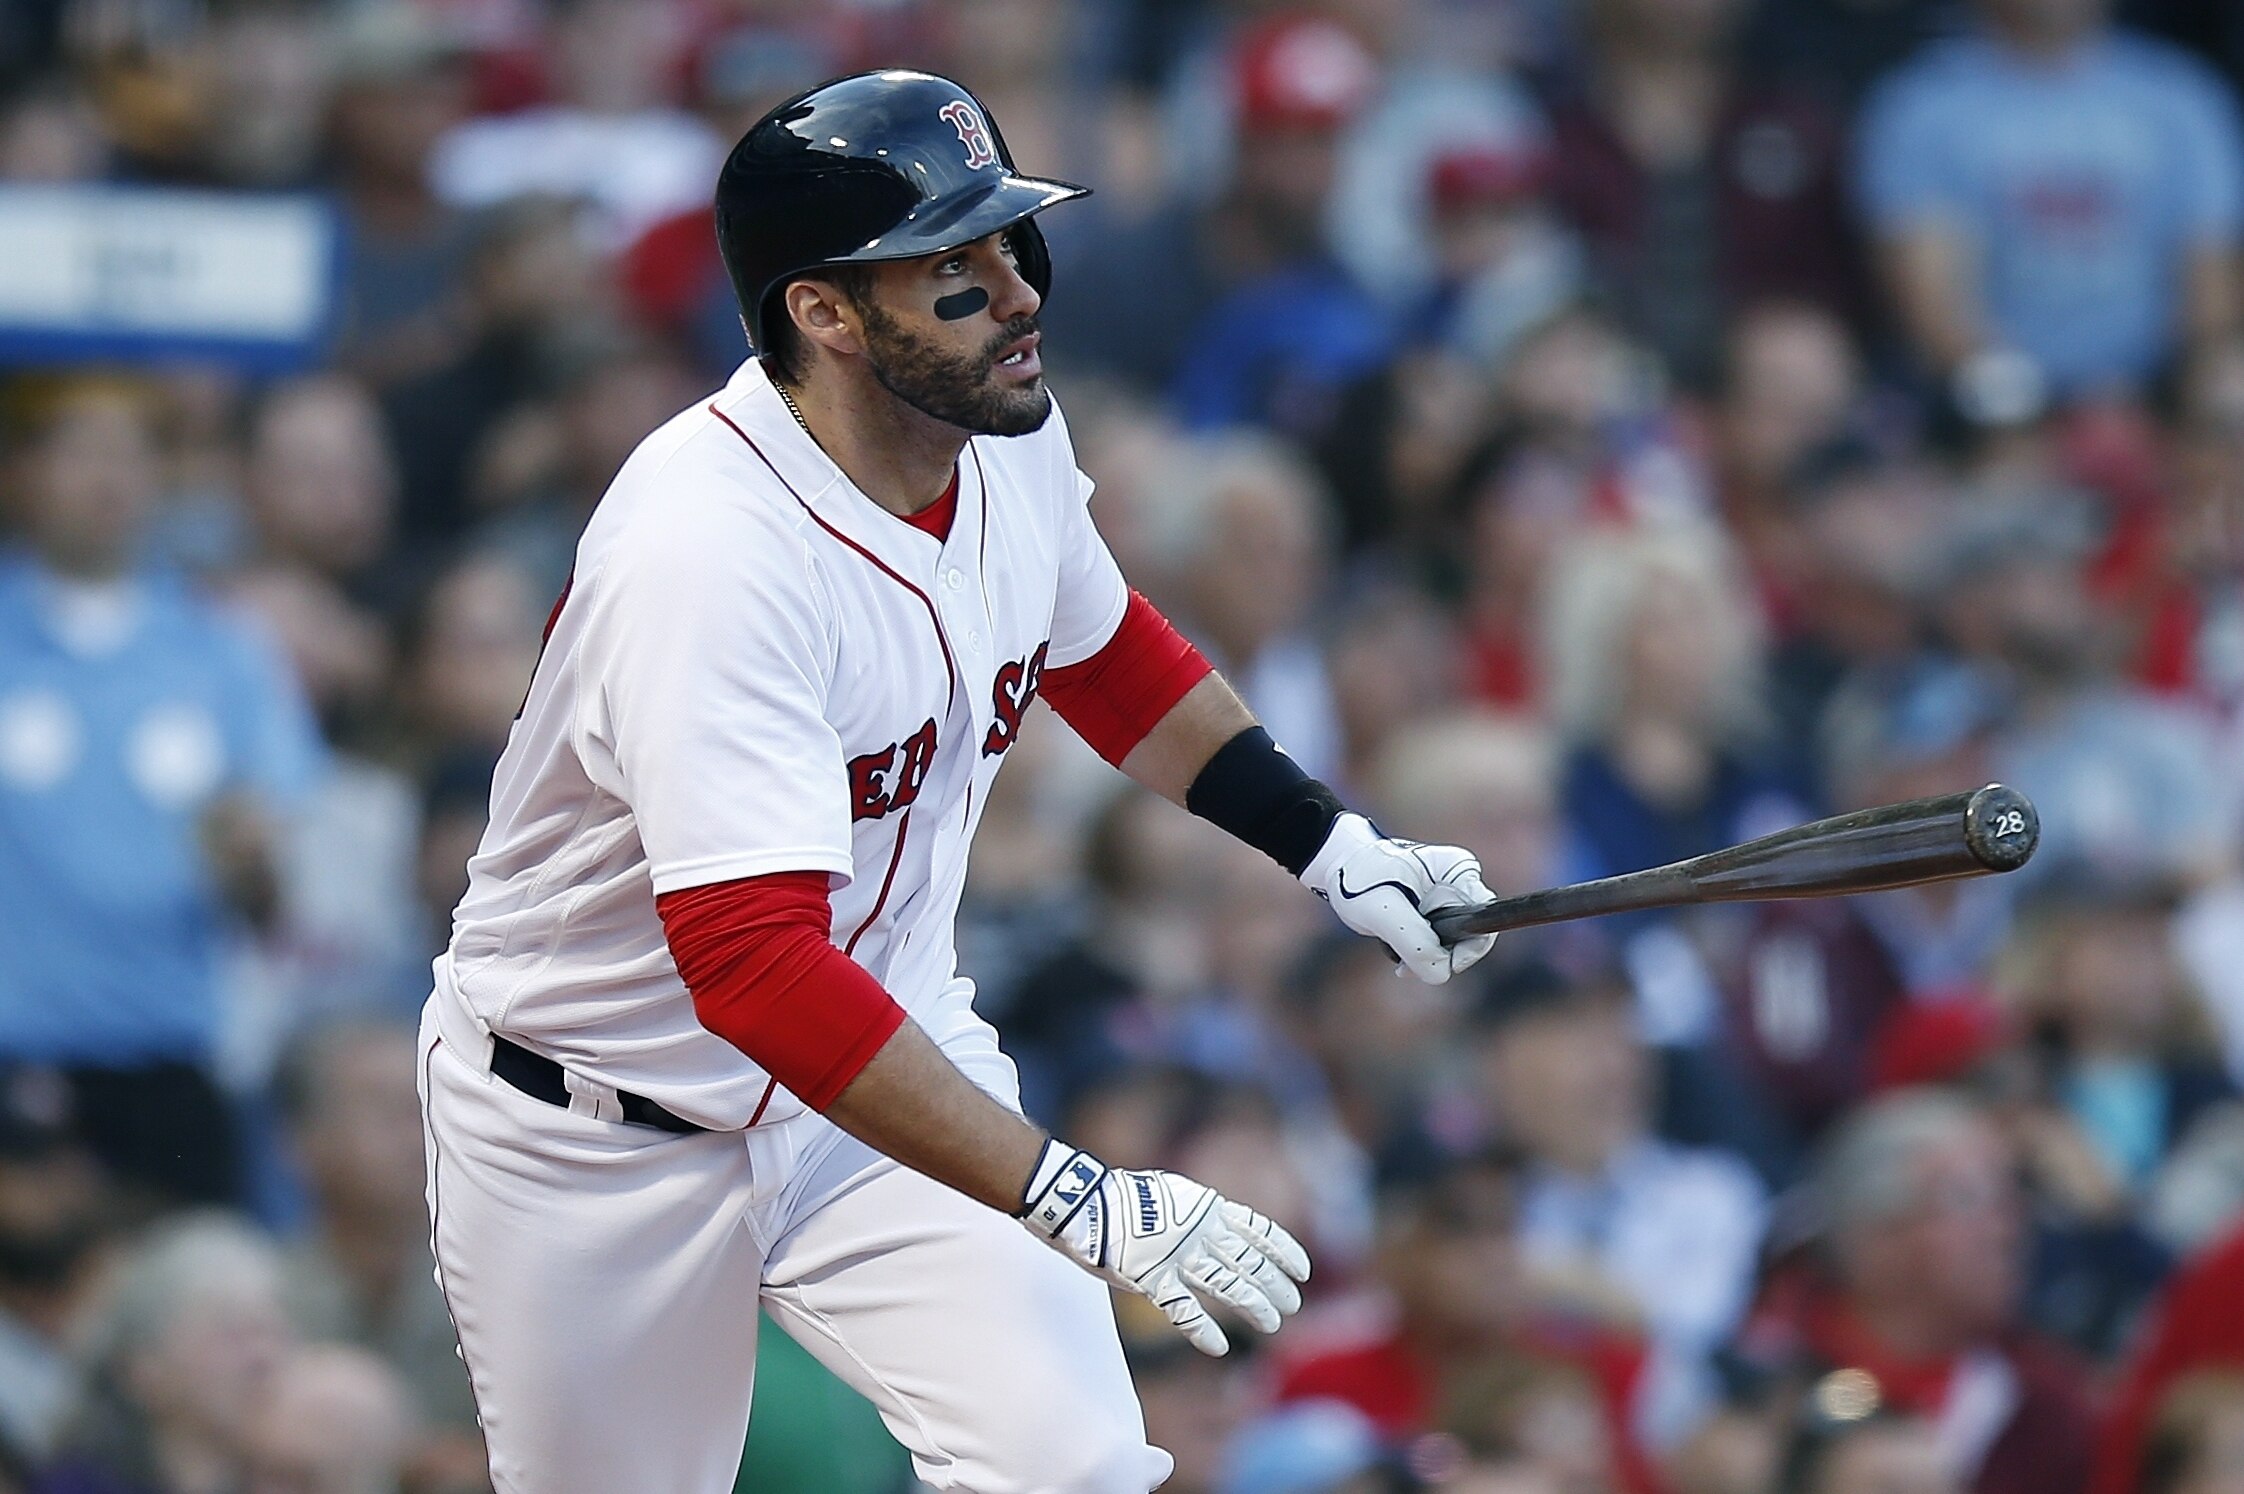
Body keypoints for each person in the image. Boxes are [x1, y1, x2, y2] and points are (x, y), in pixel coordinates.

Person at [419, 70, 1500, 1494]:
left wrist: (1324, 841)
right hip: (595, 1122)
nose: (1013, 291)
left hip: (870, 1057)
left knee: (1076, 1462)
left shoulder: (998, 423)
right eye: (953, 266)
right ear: (823, 312)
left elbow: (1104, 649)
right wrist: (1070, 1191)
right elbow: (748, 966)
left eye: (1012, 243)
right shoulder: (706, 553)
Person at [0, 379, 325, 1209]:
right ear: (22, 471)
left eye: (132, 453)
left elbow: (270, 897)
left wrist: (252, 859)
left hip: (167, 1059)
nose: (108, 477)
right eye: (80, 450)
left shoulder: (225, 652)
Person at [1857, 0, 2244, 400]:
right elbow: (1933, 306)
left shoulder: (2182, 95)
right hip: (1985, 404)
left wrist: (2162, 405)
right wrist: (2022, 410)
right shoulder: (1923, 105)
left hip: (2158, 398)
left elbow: (2212, 287)